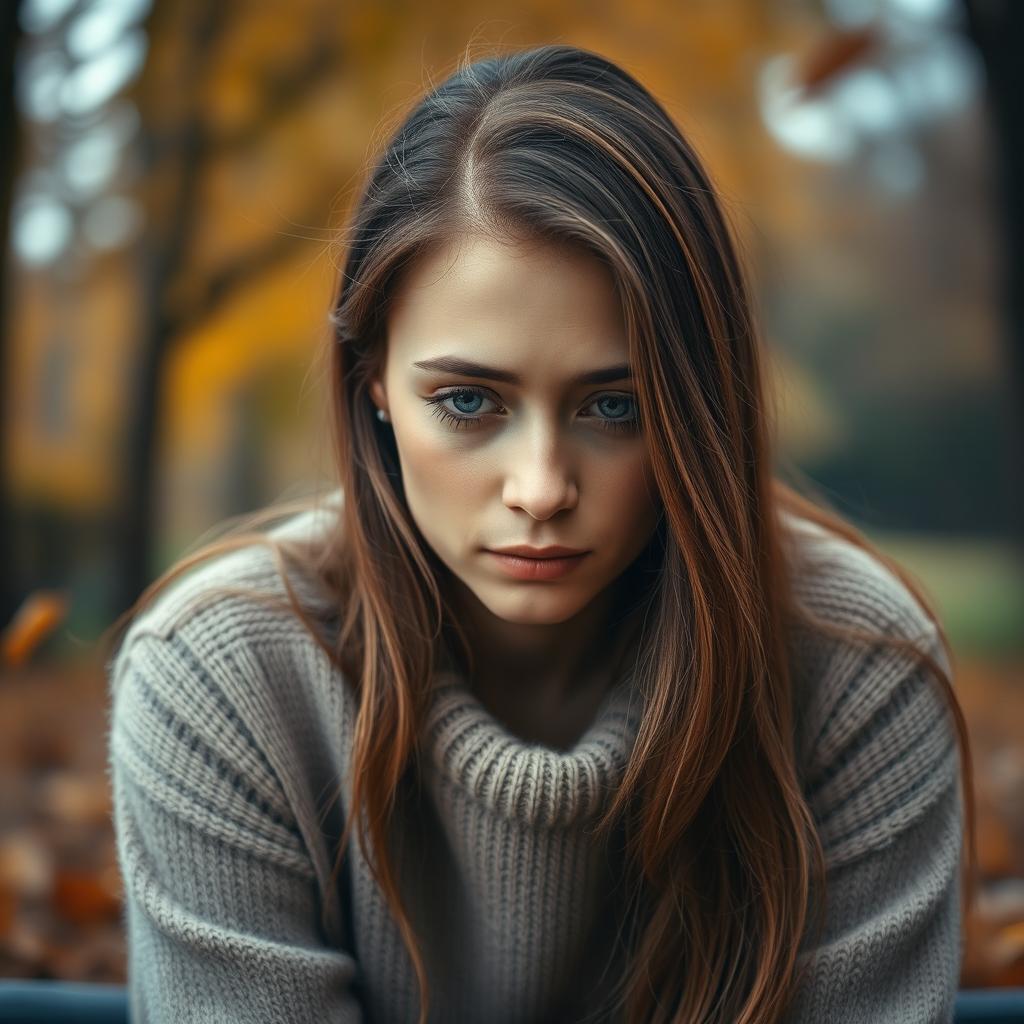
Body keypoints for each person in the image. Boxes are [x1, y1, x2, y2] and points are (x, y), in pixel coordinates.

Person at [101, 43, 977, 1024]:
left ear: (700, 401)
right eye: (469, 400)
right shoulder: (220, 679)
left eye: (615, 406)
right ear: (373, 383)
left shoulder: (856, 668)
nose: (541, 488)